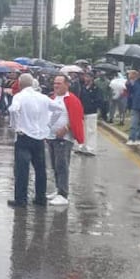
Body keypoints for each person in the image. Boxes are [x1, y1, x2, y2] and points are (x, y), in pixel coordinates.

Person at [8, 73, 62, 208]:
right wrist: (48, 125)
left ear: (20, 84)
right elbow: (58, 109)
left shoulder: (19, 97)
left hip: (24, 136)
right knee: (40, 169)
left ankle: (21, 199)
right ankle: (40, 198)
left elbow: (14, 110)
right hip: (39, 137)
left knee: (22, 169)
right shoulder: (43, 97)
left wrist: (15, 126)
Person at [47, 75, 85, 206]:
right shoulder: (52, 98)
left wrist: (66, 128)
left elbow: (77, 117)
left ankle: (63, 193)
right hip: (51, 137)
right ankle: (58, 189)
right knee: (54, 165)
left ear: (67, 84)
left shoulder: (72, 99)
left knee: (62, 165)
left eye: (59, 83)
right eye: (55, 83)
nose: (56, 85)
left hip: (64, 138)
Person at [77, 72, 102, 156]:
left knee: (91, 131)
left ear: (91, 78)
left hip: (91, 112)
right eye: (85, 77)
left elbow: (99, 100)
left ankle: (91, 149)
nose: (85, 79)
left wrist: (93, 105)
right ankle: (81, 147)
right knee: (83, 130)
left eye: (87, 77)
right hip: (82, 112)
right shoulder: (83, 88)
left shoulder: (96, 88)